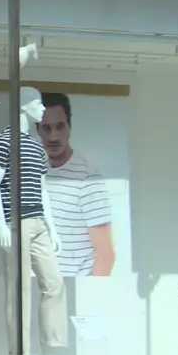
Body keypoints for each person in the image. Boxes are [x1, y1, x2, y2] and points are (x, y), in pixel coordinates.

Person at [39, 92, 115, 278]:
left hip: (75, 290)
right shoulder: (30, 171)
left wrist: (90, 297)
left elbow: (105, 254)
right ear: (37, 129)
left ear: (69, 126)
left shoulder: (87, 176)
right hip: (37, 291)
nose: (53, 136)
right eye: (46, 128)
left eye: (60, 126)